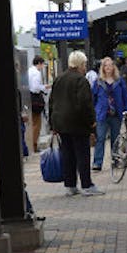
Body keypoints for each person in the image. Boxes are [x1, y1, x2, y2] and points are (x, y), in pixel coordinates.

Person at [50, 50, 100, 195]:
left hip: (61, 124)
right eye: (84, 64)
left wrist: (53, 125)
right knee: (82, 155)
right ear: (79, 64)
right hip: (78, 124)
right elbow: (85, 104)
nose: (85, 67)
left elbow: (52, 102)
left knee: (68, 155)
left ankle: (70, 186)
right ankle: (87, 185)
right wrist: (91, 122)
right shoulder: (81, 80)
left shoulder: (59, 79)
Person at [91, 56, 127, 171]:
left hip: (116, 115)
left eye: (110, 65)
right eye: (106, 65)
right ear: (102, 68)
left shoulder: (120, 81)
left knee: (115, 139)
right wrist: (93, 113)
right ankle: (97, 163)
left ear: (114, 67)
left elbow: (125, 97)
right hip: (102, 115)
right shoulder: (98, 82)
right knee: (100, 138)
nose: (108, 67)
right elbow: (93, 99)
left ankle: (115, 160)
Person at [27, 56, 48, 156]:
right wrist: (44, 87)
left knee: (32, 123)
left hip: (29, 99)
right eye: (43, 64)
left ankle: (31, 144)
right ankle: (34, 144)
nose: (43, 66)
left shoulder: (29, 71)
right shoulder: (36, 73)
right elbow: (35, 88)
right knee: (37, 123)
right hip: (36, 99)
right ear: (39, 63)